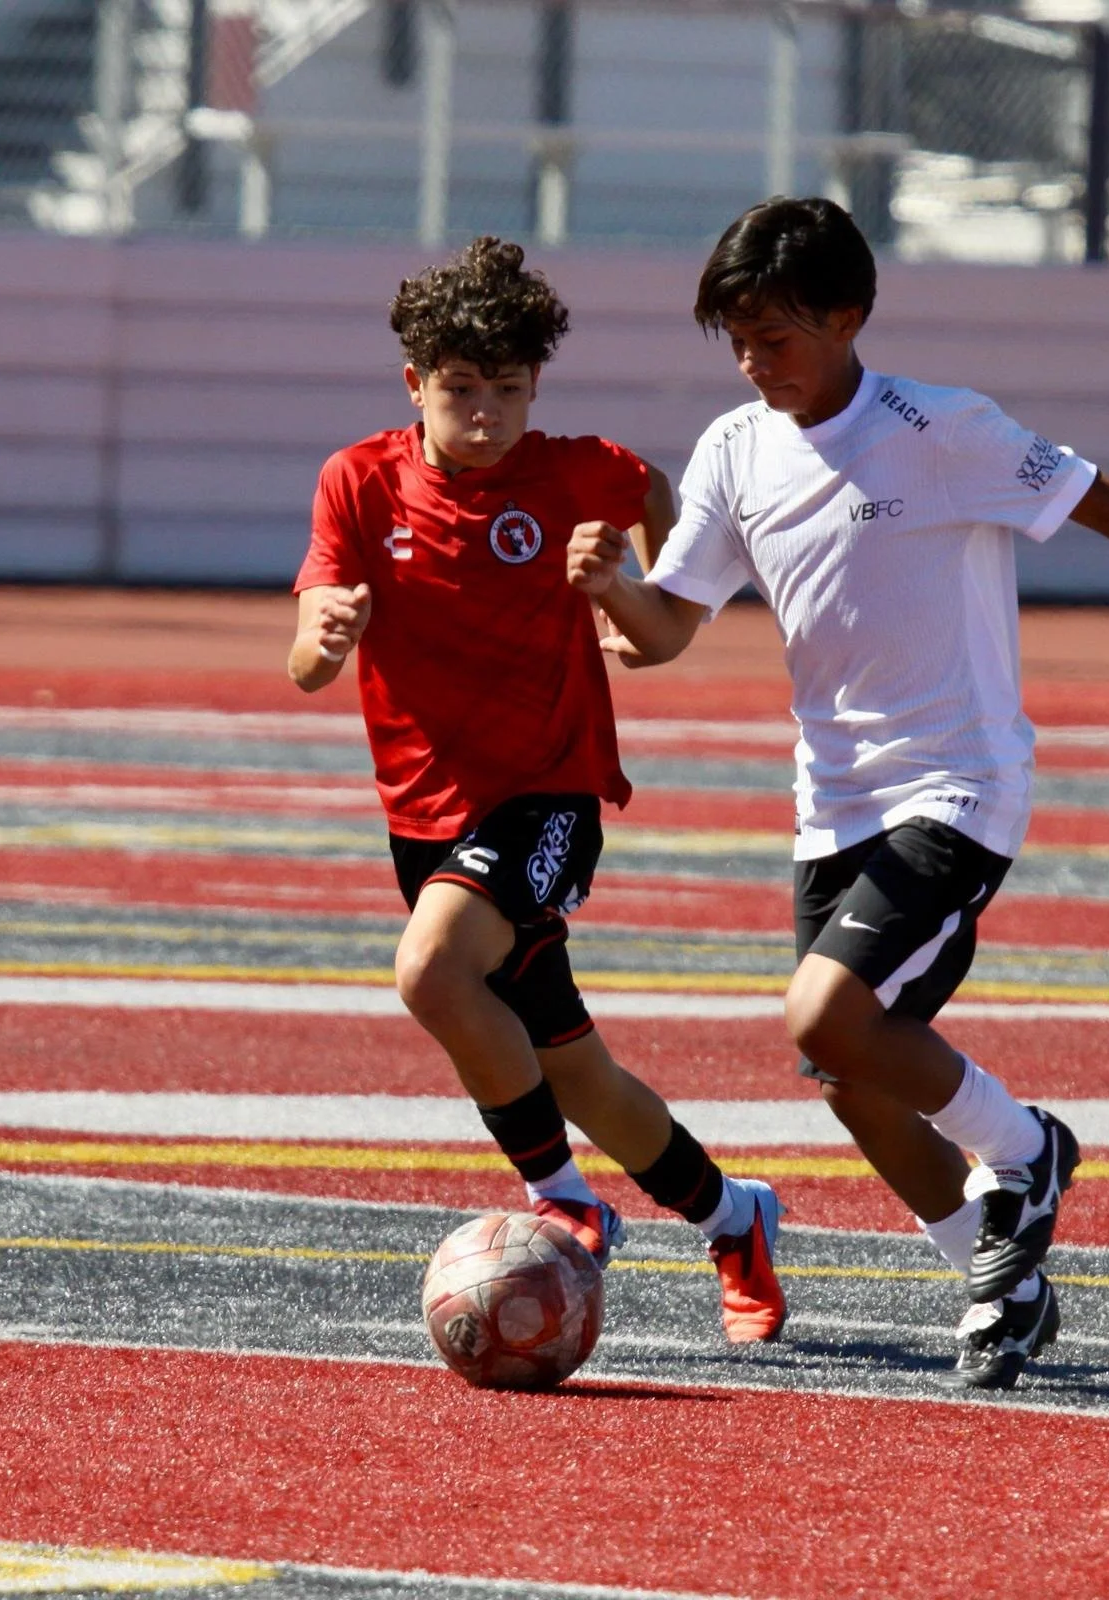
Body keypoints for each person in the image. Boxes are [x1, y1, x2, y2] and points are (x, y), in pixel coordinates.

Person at [566, 196, 1109, 1388]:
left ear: (847, 316)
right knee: (851, 1076)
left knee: (821, 1014)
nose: (749, 361)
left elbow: (1105, 500)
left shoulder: (940, 428)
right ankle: (1005, 1286)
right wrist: (615, 591)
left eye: (772, 337)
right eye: (733, 340)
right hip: (831, 801)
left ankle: (1025, 1148)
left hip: (959, 782)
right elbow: (672, 625)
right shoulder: (735, 447)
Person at [288, 236, 786, 1344]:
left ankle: (562, 1200)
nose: (485, 414)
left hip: (548, 796)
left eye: (507, 390)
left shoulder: (574, 472)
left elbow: (664, 495)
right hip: (423, 811)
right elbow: (304, 660)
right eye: (460, 390)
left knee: (430, 969)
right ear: (413, 385)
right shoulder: (357, 481)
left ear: (534, 387)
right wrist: (321, 640)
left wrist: (644, 597)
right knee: (575, 1068)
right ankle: (733, 1215)